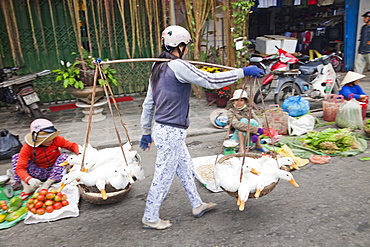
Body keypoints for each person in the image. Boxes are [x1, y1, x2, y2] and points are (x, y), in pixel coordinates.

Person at [139, 25, 264, 230]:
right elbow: (210, 80)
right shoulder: (178, 65)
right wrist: (243, 71)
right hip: (170, 131)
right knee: (163, 175)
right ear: (179, 46)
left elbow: (148, 103)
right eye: (186, 45)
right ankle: (150, 216)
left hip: (165, 129)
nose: (187, 49)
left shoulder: (158, 66)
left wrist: (146, 131)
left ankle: (197, 204)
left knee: (186, 168)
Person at [12, 118, 80, 200]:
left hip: (54, 172)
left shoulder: (57, 140)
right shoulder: (27, 147)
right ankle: (27, 187)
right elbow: (20, 168)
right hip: (37, 172)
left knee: (64, 157)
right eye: (47, 139)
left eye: (51, 138)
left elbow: (73, 146)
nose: (50, 141)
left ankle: (47, 184)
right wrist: (29, 179)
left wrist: (80, 154)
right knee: (16, 157)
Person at [227, 89, 267, 153]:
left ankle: (258, 144)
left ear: (245, 102)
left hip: (249, 136)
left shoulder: (249, 110)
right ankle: (241, 147)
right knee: (244, 120)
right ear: (234, 101)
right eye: (236, 100)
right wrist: (255, 130)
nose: (239, 102)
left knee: (253, 121)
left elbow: (257, 121)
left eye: (241, 100)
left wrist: (257, 133)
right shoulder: (231, 112)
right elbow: (236, 125)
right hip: (237, 136)